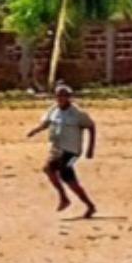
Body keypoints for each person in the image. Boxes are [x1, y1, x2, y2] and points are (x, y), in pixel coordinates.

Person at [27, 83, 98, 218]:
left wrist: (90, 149)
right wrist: (35, 130)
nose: (61, 98)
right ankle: (66, 198)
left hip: (72, 151)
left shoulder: (77, 114)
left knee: (67, 176)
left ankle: (86, 205)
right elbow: (47, 122)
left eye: (64, 96)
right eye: (58, 96)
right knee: (49, 170)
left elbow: (91, 127)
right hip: (57, 149)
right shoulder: (53, 110)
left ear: (69, 97)